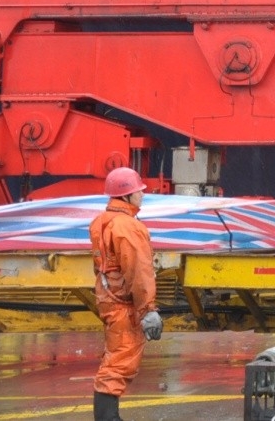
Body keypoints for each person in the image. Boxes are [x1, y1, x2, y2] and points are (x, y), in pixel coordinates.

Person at [90, 167, 162, 421]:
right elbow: (139, 273)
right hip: (124, 305)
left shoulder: (103, 221)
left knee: (116, 359)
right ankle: (108, 418)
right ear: (125, 196)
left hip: (110, 300)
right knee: (119, 363)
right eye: (137, 192)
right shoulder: (127, 227)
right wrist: (148, 310)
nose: (142, 195)